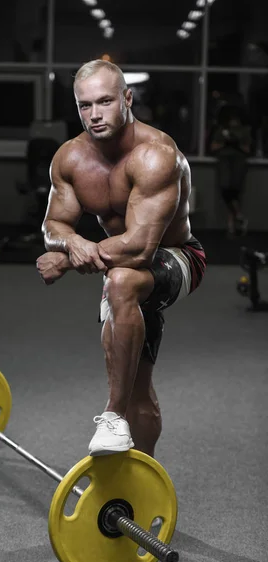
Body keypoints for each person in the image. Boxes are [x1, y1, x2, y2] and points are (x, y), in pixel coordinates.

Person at [35, 60, 207, 458]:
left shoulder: (156, 155)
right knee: (132, 377)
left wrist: (65, 258)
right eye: (85, 105)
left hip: (177, 257)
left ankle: (112, 417)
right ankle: (143, 476)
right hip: (117, 262)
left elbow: (142, 247)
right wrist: (71, 243)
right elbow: (53, 226)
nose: (94, 115)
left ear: (127, 99)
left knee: (122, 281)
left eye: (106, 101)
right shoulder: (70, 158)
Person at [210, 104, 251, 237]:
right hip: (224, 162)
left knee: (235, 190)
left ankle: (231, 226)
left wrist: (237, 143)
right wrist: (225, 142)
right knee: (225, 189)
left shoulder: (244, 131)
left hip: (238, 162)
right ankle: (238, 216)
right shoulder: (221, 130)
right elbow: (213, 147)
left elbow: (248, 149)